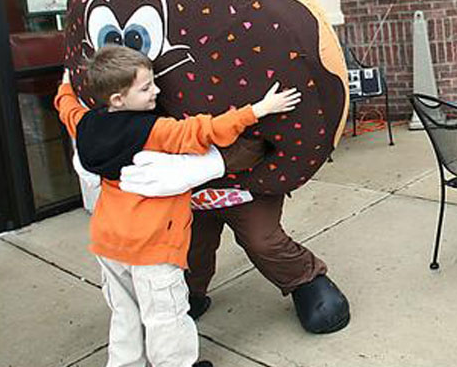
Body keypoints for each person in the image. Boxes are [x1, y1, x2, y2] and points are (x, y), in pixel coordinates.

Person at [55, 44, 301, 367]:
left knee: (125, 314)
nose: (156, 90)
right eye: (145, 88)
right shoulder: (152, 131)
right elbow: (203, 130)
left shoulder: (86, 125)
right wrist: (258, 110)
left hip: (108, 243)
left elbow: (66, 108)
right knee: (165, 317)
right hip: (151, 246)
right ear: (118, 99)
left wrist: (64, 83)